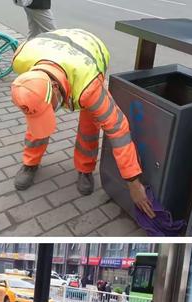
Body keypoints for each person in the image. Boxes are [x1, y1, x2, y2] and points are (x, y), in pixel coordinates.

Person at [10, 29, 155, 218]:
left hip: (89, 52)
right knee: (36, 118)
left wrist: (133, 182)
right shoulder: (22, 63)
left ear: (55, 88)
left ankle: (85, 169)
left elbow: (118, 129)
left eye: (52, 105)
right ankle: (30, 162)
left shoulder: (89, 88)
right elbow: (36, 103)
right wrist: (38, 109)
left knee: (90, 124)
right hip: (52, 47)